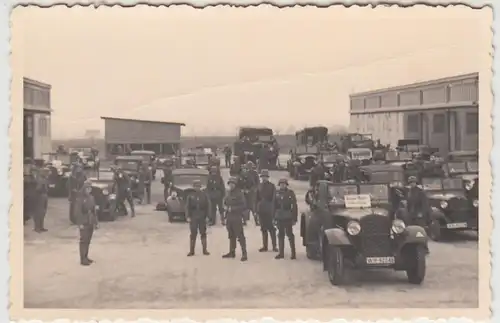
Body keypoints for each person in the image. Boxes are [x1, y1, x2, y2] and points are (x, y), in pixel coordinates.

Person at [223, 176, 248, 261]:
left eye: (233, 184)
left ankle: (244, 254)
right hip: (229, 217)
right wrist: (225, 207)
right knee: (231, 235)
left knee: (240, 236)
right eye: (230, 184)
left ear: (235, 184)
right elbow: (225, 202)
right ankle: (232, 252)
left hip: (237, 217)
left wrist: (232, 209)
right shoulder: (228, 193)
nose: (231, 185)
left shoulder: (239, 194)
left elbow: (243, 206)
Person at [75, 180, 99, 266]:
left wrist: (96, 222)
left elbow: (94, 211)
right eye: (87, 188)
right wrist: (80, 223)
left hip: (90, 221)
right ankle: (82, 258)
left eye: (90, 188)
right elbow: (78, 212)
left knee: (88, 240)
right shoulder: (80, 199)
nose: (89, 190)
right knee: (83, 240)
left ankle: (86, 256)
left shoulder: (91, 198)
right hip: (84, 221)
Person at [185, 180, 211, 256]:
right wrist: (188, 216)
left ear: (201, 187)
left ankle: (204, 250)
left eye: (198, 186)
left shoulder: (204, 195)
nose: (197, 188)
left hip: (202, 216)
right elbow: (187, 207)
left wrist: (208, 216)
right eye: (196, 186)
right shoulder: (190, 195)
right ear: (193, 187)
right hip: (193, 216)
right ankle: (191, 251)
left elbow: (208, 206)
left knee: (203, 233)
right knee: (193, 233)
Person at [274, 178, 298, 260]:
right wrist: (273, 217)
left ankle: (293, 253)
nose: (282, 185)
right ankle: (281, 253)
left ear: (286, 185)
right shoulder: (276, 193)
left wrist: (294, 218)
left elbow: (294, 206)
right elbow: (274, 206)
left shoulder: (290, 193)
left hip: (288, 216)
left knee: (290, 235)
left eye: (284, 184)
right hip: (279, 217)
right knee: (280, 235)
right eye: (281, 184)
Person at [254, 169, 278, 252]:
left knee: (271, 228)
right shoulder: (259, 186)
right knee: (263, 228)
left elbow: (274, 199)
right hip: (261, 209)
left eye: (265, 177)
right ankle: (265, 246)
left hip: (269, 210)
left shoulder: (272, 186)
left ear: (268, 177)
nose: (264, 178)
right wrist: (256, 210)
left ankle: (274, 246)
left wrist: (273, 210)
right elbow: (256, 198)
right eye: (263, 177)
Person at [32, 166, 49, 233]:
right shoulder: (38, 179)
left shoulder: (43, 178)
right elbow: (37, 188)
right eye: (46, 172)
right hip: (39, 195)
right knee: (38, 212)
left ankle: (41, 227)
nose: (47, 173)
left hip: (44, 195)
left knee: (43, 212)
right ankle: (37, 227)